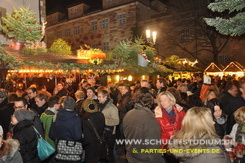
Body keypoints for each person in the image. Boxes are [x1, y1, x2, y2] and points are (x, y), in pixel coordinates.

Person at [123, 87, 165, 163]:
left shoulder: (128, 114)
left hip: (131, 156)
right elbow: (154, 148)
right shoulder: (150, 120)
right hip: (145, 159)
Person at [154, 91, 185, 162]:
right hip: (165, 145)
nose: (163, 102)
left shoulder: (180, 112)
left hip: (179, 144)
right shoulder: (158, 114)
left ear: (171, 99)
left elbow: (185, 127)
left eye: (165, 100)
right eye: (161, 101)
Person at [97, 89, 119, 163]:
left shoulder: (112, 108)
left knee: (109, 154)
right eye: (98, 96)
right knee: (102, 153)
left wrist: (103, 121)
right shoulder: (99, 106)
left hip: (110, 134)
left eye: (100, 97)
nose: (98, 98)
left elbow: (116, 121)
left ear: (105, 97)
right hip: (101, 133)